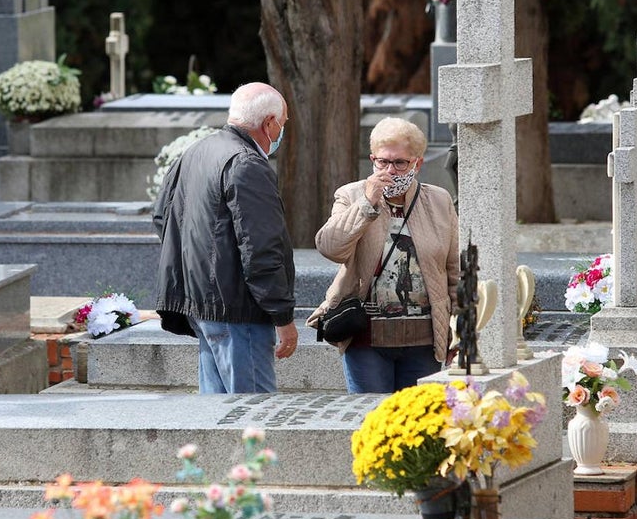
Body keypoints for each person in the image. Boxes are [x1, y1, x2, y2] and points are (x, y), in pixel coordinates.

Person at [152, 82, 298, 394]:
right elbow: (260, 248)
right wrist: (282, 315)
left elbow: (162, 219)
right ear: (269, 123)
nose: (281, 132)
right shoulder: (246, 163)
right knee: (251, 417)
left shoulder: (194, 151)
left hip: (202, 305)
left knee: (218, 418)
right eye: (283, 124)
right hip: (238, 309)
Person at [309, 117, 459, 393]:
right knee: (370, 421)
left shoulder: (439, 200)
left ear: (417, 163)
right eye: (382, 162)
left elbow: (454, 271)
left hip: (424, 341)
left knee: (418, 426)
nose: (390, 170)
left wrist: (460, 332)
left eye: (400, 163)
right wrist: (366, 203)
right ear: (372, 159)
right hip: (366, 339)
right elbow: (330, 247)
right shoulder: (350, 195)